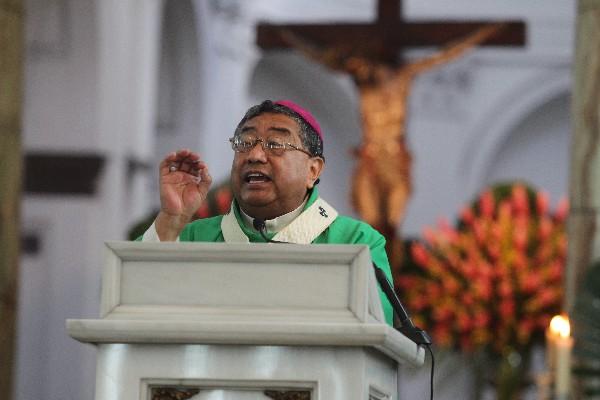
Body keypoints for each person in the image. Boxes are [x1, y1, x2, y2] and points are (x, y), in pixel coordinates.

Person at [140, 99, 395, 325]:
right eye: (245, 143)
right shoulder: (194, 237)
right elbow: (136, 304)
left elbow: (376, 327)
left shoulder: (355, 242)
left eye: (275, 144)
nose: (255, 155)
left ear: (313, 171)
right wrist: (172, 218)